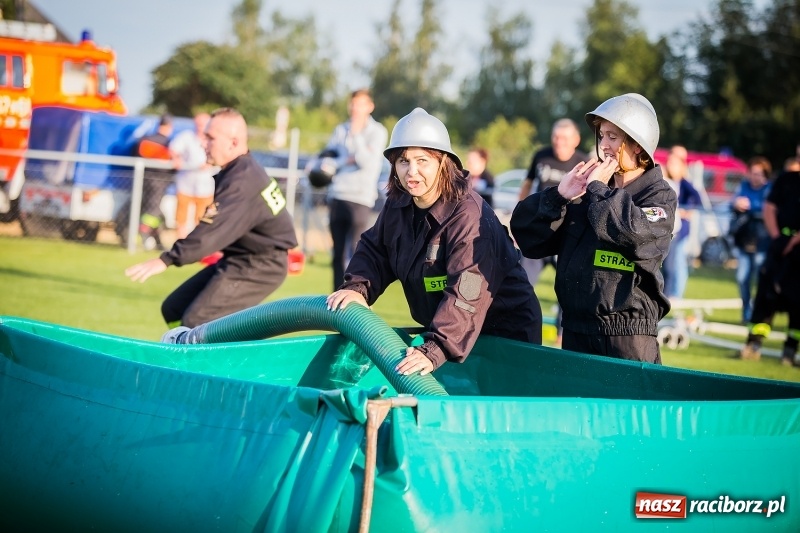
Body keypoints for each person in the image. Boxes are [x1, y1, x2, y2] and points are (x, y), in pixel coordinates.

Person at [326, 107, 542, 376]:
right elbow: (375, 250)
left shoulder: (469, 217)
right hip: (450, 334)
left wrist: (436, 347)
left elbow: (468, 291)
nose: (411, 172)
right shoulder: (398, 203)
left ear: (443, 162)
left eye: (422, 161)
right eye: (403, 161)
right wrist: (358, 288)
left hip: (504, 335)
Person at [510, 93, 677, 364]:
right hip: (576, 331)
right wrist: (559, 196)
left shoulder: (658, 196)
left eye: (613, 137)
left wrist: (598, 190)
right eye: (601, 136)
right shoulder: (590, 189)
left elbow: (634, 232)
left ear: (638, 145)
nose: (604, 145)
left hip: (628, 337)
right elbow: (528, 237)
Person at [125, 108, 298, 328]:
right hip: (240, 259)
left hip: (261, 265)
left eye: (210, 138)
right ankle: (181, 357)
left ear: (233, 143)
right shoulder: (238, 170)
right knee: (173, 309)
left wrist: (166, 259)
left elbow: (211, 231)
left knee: (196, 322)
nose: (202, 143)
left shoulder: (242, 180)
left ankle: (209, 361)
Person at [517, 118, 590, 346]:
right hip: (539, 234)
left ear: (576, 140)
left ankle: (562, 338)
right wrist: (520, 212)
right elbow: (528, 183)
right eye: (556, 137)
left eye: (565, 138)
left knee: (570, 289)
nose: (559, 142)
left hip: (567, 237)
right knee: (520, 282)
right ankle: (517, 330)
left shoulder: (584, 162)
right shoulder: (541, 155)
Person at [324, 88, 389, 290]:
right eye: (353, 104)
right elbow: (329, 159)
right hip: (338, 195)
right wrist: (346, 160)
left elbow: (366, 162)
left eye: (361, 104)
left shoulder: (377, 132)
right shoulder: (339, 130)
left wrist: (357, 135)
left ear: (370, 106)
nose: (355, 109)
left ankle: (353, 296)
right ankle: (335, 298)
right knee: (336, 254)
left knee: (355, 253)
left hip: (360, 199)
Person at [739, 166, 800, 366]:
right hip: (778, 245)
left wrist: (793, 241)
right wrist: (778, 238)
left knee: (797, 304)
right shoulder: (786, 180)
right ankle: (753, 346)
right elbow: (769, 208)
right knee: (765, 297)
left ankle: (789, 353)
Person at [117, 113, 178, 250]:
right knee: (153, 210)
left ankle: (155, 239)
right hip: (160, 181)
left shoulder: (145, 140)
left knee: (148, 208)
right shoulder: (169, 144)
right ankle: (143, 232)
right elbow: (174, 165)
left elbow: (135, 156)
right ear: (169, 127)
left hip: (142, 178)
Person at [729, 156, 772, 323]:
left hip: (763, 241)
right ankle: (747, 312)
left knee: (761, 279)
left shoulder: (770, 189)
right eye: (753, 173)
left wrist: (751, 206)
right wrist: (736, 204)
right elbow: (733, 203)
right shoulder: (743, 186)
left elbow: (767, 208)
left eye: (759, 174)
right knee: (742, 278)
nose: (756, 177)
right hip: (744, 240)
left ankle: (759, 314)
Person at [661, 145, 703, 298]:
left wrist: (688, 210)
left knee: (677, 263)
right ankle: (667, 293)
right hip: (669, 229)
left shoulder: (684, 182)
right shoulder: (666, 180)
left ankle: (676, 294)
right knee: (668, 264)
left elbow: (697, 199)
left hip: (681, 230)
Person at [170, 112, 216, 239]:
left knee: (202, 219)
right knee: (181, 218)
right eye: (198, 124)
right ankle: (180, 245)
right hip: (186, 183)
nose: (200, 127)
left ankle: (197, 246)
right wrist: (177, 159)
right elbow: (174, 149)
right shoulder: (186, 137)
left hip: (206, 186)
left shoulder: (214, 139)